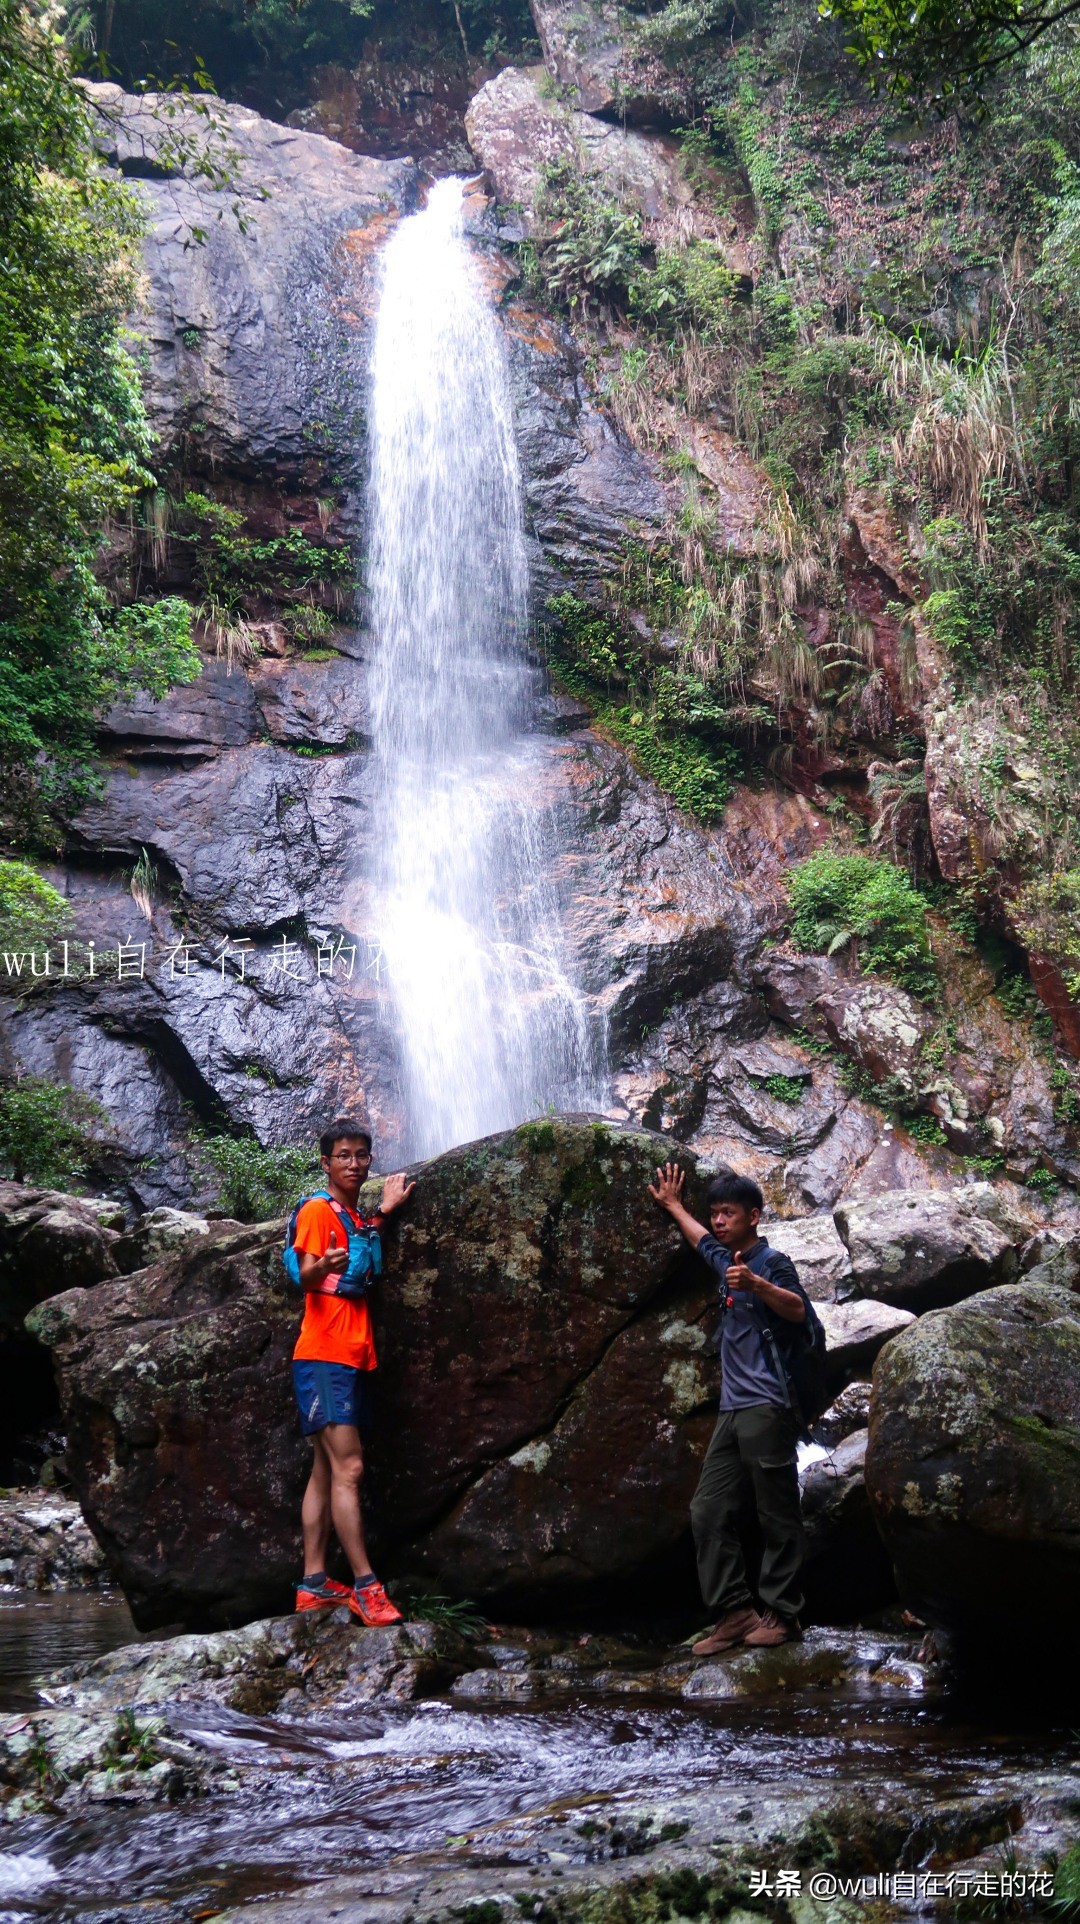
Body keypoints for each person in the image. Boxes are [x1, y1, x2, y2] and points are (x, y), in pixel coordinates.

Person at [648, 1163, 811, 1653]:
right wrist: (675, 1205)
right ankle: (735, 1612)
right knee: (708, 1509)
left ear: (754, 1217)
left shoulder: (772, 1262)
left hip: (769, 1404)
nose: (719, 1221)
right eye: (715, 1213)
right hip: (732, 1408)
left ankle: (783, 1615)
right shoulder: (727, 1259)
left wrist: (756, 1285)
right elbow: (703, 1242)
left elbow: (800, 1309)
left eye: (729, 1213)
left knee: (776, 1512)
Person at [290, 1116, 415, 1625]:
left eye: (362, 1155)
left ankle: (314, 1584)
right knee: (350, 1468)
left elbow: (362, 1256)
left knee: (325, 1471)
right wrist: (318, 1268)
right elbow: (306, 1272)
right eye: (344, 1155)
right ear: (326, 1162)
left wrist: (383, 1213)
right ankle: (367, 1587)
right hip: (324, 1356)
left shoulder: (352, 1214)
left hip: (348, 1353)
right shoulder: (319, 1212)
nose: (355, 1163)